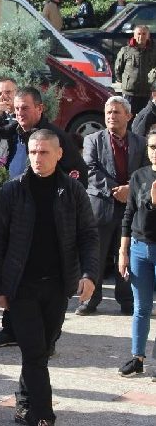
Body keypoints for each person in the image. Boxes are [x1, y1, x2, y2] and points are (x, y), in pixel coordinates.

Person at [0, 129, 98, 426]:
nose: (38, 158)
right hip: (21, 285)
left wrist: (89, 274)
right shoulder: (12, 190)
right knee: (34, 351)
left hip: (57, 285)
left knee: (43, 349)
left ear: (59, 154)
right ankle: (44, 415)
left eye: (45, 152)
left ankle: (24, 402)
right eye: (34, 152)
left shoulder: (72, 191)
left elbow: (88, 235)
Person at [77, 97, 146, 316]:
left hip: (130, 209)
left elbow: (145, 170)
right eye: (108, 112)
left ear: (128, 116)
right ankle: (90, 300)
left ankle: (127, 301)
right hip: (101, 206)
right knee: (95, 255)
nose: (111, 116)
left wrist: (130, 190)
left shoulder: (140, 142)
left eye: (116, 112)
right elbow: (90, 169)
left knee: (126, 254)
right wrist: (117, 190)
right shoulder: (92, 140)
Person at [117, 125, 156, 379]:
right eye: (153, 147)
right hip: (139, 248)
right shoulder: (139, 176)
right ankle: (137, 357)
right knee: (141, 307)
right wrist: (123, 251)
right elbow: (129, 214)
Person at [115, 26, 156, 118]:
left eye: (144, 34)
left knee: (144, 120)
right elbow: (118, 69)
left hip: (147, 92)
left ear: (148, 36)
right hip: (130, 93)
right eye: (139, 34)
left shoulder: (153, 51)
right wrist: (125, 82)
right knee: (128, 118)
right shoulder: (125, 50)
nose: (141, 36)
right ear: (134, 35)